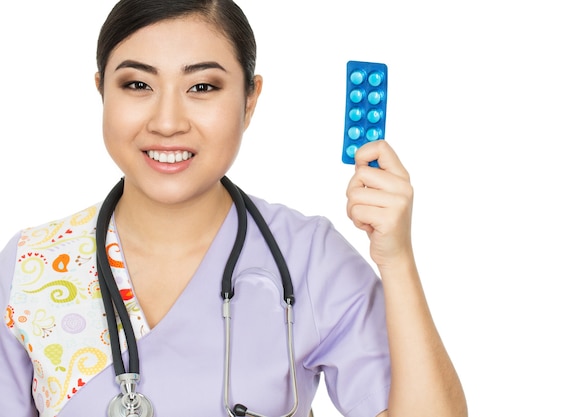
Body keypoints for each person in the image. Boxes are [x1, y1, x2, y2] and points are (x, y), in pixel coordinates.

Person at [0, 0, 467, 416]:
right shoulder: (31, 265)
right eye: (138, 84)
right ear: (102, 91)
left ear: (249, 100)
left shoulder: (308, 257)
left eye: (202, 87)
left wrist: (397, 259)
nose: (167, 122)